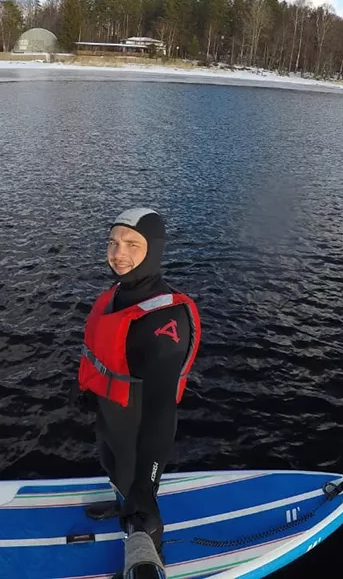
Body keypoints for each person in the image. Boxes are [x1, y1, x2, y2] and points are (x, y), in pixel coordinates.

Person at [75, 208, 201, 556]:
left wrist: (147, 481)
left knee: (140, 504)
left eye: (133, 244)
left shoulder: (164, 320)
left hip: (139, 429)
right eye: (113, 242)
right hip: (110, 416)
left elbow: (162, 411)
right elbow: (105, 357)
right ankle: (122, 505)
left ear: (154, 251)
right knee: (113, 471)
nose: (118, 254)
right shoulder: (117, 295)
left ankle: (150, 553)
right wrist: (89, 391)